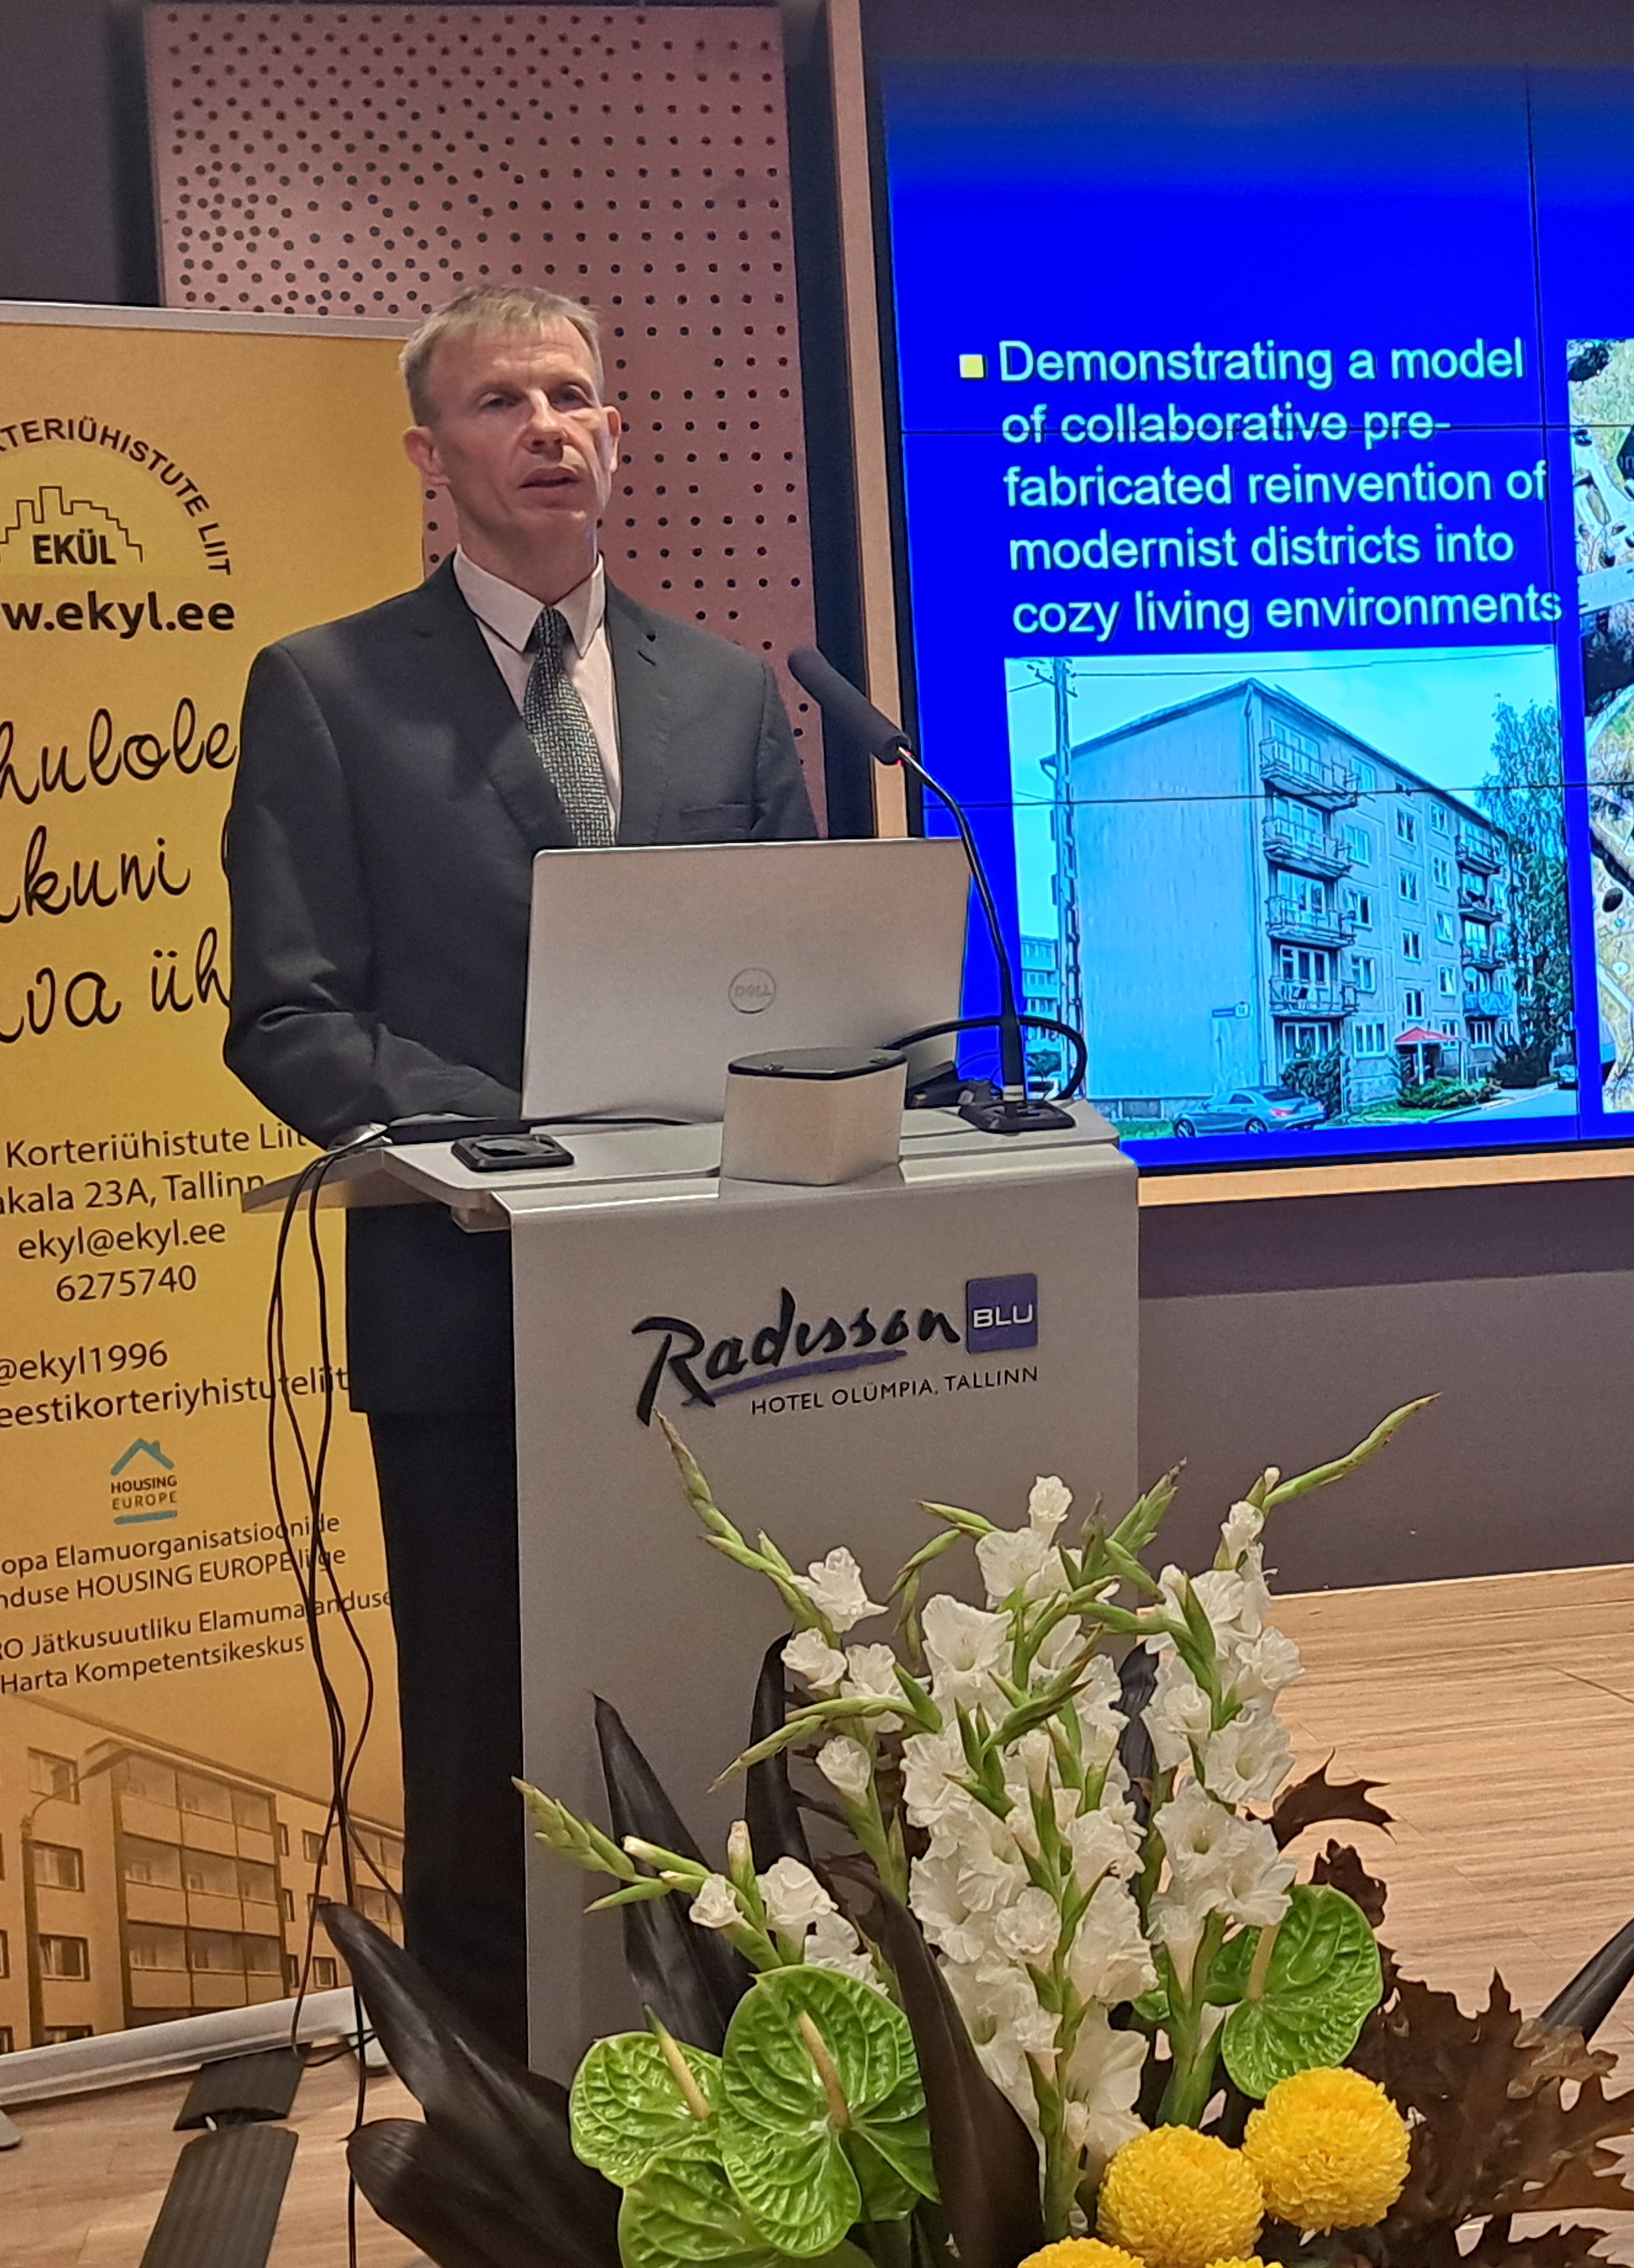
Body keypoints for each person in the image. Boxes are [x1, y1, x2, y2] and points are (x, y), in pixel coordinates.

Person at [223, 283, 818, 2053]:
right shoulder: (327, 690)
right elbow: (290, 1016)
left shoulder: (731, 695)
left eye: (573, 396)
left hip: (732, 1316)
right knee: (489, 1728)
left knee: (737, 1696)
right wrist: (526, 1146)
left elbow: (802, 978)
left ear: (615, 433)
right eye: (502, 402)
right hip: (469, 1304)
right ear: (431, 455)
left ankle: (762, 2058)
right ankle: (494, 2105)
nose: (549, 427)